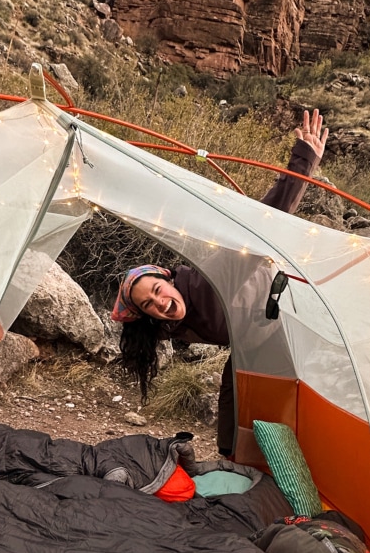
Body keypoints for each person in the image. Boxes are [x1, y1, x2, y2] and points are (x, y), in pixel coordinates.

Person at [114, 107, 334, 443]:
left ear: (170, 280)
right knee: (231, 429)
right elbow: (134, 324)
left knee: (293, 420)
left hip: (291, 329)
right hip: (250, 345)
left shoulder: (212, 277)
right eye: (148, 304)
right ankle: (233, 463)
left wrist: (304, 159)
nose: (159, 302)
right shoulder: (166, 321)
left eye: (157, 289)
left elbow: (263, 223)